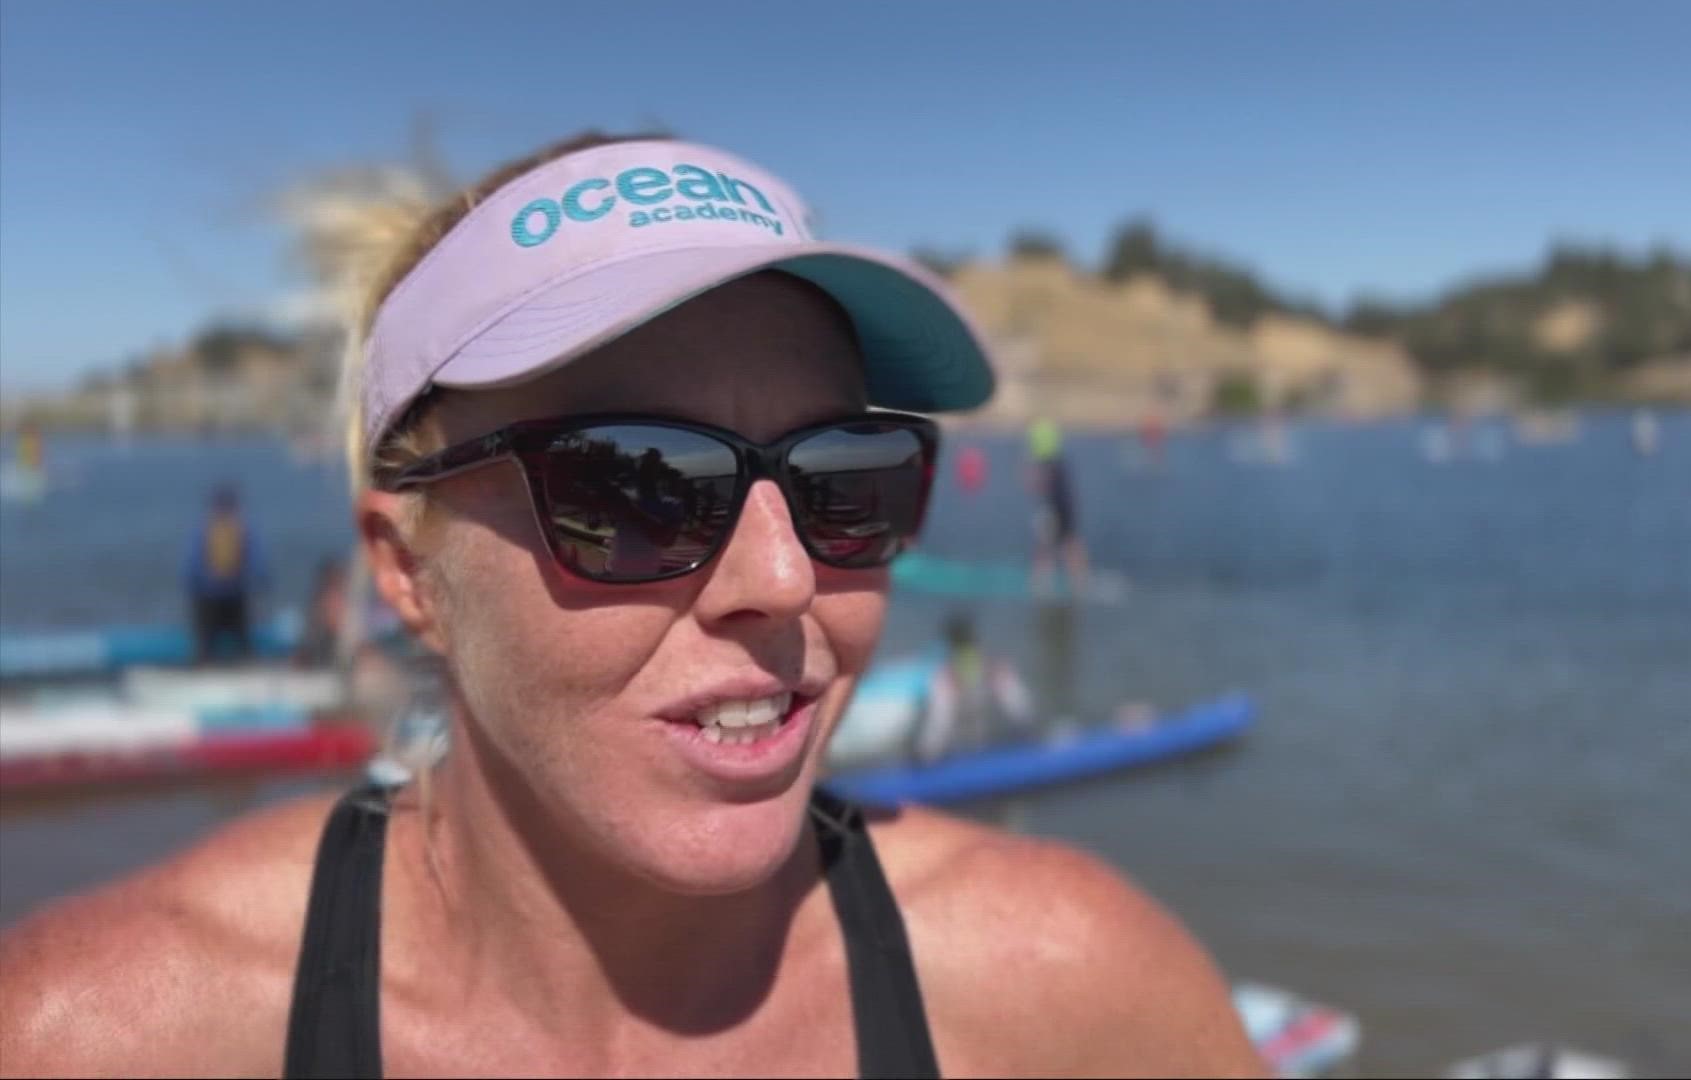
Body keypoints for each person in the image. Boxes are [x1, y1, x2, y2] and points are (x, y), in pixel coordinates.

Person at [0, 132, 1265, 1078]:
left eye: (847, 482)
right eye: (634, 490)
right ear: (405, 570)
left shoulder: (1077, 995)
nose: (781, 583)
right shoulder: (103, 1035)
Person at [909, 610, 1035, 764]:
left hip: (980, 742)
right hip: (956, 750)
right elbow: (940, 717)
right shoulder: (946, 677)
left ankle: (1027, 731)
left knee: (1003, 677)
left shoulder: (989, 667)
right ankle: (927, 753)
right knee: (944, 695)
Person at [182, 484, 266, 664]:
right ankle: (245, 663)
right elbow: (258, 566)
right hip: (235, 595)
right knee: (242, 639)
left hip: (209, 597)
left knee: (205, 642)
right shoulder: (243, 531)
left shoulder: (203, 531)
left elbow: (191, 569)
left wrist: (199, 587)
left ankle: (203, 664)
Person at [1026, 415, 1091, 593]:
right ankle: (1079, 582)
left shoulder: (1048, 465)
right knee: (1067, 543)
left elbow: (1038, 485)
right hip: (1066, 507)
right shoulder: (1059, 463)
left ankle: (1041, 584)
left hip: (1056, 508)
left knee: (1048, 546)